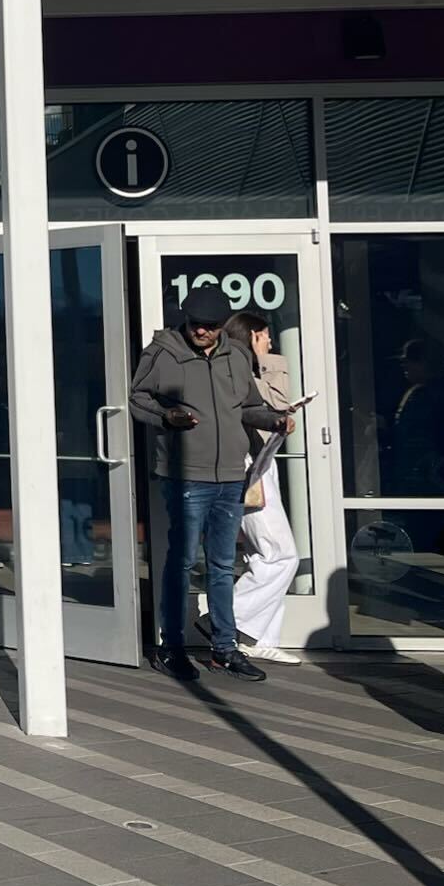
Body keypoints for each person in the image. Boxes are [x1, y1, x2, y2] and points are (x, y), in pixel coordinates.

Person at [131, 284, 291, 684]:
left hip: (232, 475)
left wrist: (273, 420)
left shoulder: (236, 355)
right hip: (187, 474)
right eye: (196, 324)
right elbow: (137, 399)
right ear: (186, 320)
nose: (202, 331)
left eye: (211, 325)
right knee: (183, 561)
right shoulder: (163, 353)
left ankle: (224, 649)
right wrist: (167, 417)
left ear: (222, 325)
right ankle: (171, 647)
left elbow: (248, 407)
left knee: (222, 565)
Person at [217, 312, 300, 665]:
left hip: (262, 464)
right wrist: (265, 360)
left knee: (263, 554)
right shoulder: (239, 374)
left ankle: (259, 638)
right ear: (250, 337)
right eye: (264, 335)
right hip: (248, 469)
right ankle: (226, 618)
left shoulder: (247, 372)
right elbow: (278, 401)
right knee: (280, 555)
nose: (269, 341)